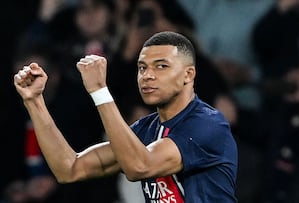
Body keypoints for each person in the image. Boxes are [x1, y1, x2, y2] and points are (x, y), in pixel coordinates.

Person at [13, 31, 238, 202]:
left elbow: (140, 166)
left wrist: (100, 91)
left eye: (161, 66)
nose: (147, 75)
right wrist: (34, 102)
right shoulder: (144, 130)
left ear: (188, 74)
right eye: (142, 68)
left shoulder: (208, 124)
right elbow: (70, 168)